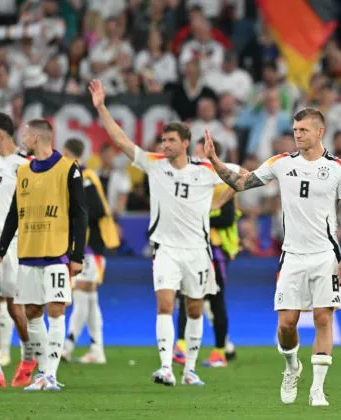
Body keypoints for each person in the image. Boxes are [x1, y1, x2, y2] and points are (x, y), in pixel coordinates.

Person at [203, 107, 341, 407]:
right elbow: (240, 183)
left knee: (324, 318)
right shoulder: (281, 163)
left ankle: (317, 389)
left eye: (303, 130)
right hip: (292, 256)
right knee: (287, 324)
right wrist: (214, 159)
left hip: (325, 253)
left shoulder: (340, 168)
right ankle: (291, 368)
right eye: (295, 130)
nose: (297, 134)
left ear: (320, 131)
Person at [90, 79, 217, 386]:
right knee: (164, 303)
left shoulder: (204, 170)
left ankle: (190, 369)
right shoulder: (155, 164)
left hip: (198, 251)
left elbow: (239, 179)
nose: (165, 144)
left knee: (195, 307)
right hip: (166, 249)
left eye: (171, 140)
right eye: (163, 140)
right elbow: (121, 141)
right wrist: (102, 107)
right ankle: (166, 367)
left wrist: (211, 200)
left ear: (185, 143)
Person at [0, 119, 87, 391]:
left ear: (36, 136)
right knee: (33, 312)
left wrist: (77, 254)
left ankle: (51, 375)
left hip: (57, 252)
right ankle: (43, 372)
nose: (22, 137)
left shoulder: (68, 168)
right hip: (28, 253)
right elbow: (13, 214)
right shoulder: (23, 171)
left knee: (56, 309)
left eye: (25, 133)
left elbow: (80, 214)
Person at [174, 137, 239, 368]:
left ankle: (221, 351)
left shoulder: (222, 183)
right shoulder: (190, 181)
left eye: (201, 154)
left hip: (216, 250)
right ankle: (181, 347)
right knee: (186, 296)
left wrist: (200, 214)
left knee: (216, 299)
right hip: (192, 247)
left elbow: (226, 218)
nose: (196, 158)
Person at [0, 114, 37, 388]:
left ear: (0, 135)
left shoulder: (25, 166)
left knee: (16, 308)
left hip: (16, 244)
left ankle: (29, 356)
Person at [62, 138, 120, 364]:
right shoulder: (81, 177)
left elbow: (96, 209)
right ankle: (97, 350)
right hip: (86, 245)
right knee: (90, 298)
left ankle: (67, 346)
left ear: (71, 155)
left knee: (82, 292)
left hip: (91, 245)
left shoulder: (86, 177)